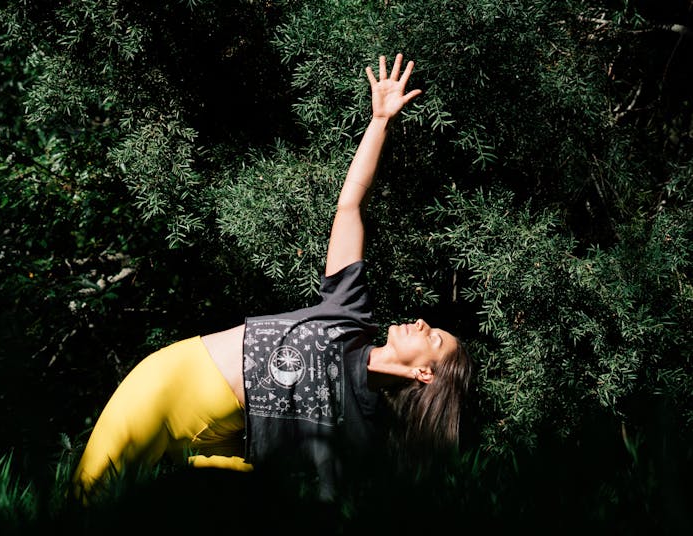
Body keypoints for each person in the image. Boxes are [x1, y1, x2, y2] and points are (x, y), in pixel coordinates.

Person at [71, 53, 472, 504]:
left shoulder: (363, 431)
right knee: (87, 502)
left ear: (424, 374)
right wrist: (379, 121)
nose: (422, 323)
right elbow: (349, 208)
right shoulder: (349, 314)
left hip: (223, 447)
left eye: (434, 338)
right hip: (169, 385)